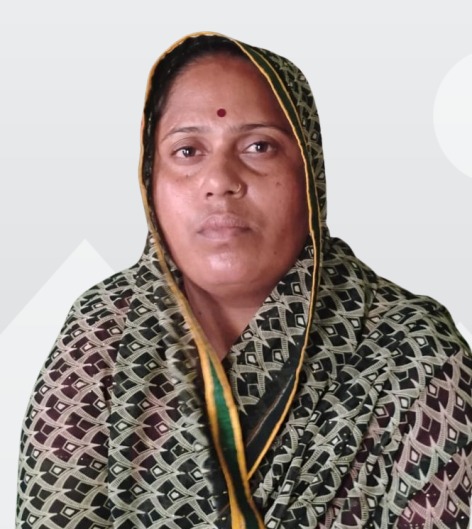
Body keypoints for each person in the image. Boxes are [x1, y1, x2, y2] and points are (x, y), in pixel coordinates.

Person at [16, 32, 472, 529]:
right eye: (187, 151)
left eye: (259, 146)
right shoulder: (102, 333)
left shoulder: (415, 355)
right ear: (150, 179)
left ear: (310, 173)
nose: (220, 180)